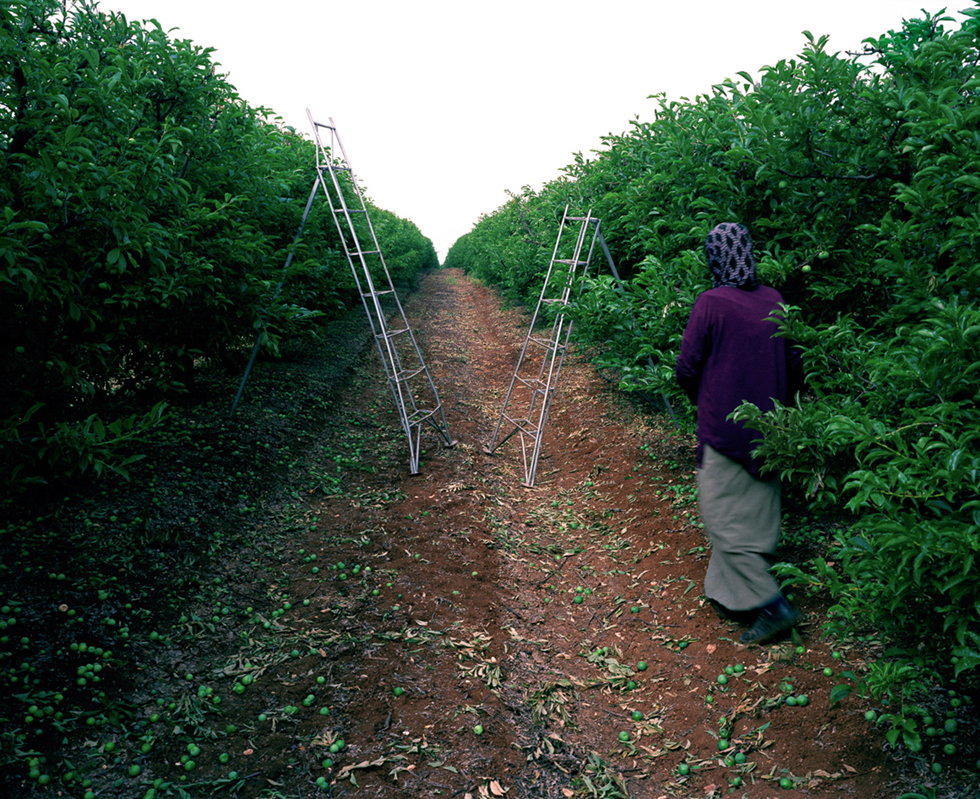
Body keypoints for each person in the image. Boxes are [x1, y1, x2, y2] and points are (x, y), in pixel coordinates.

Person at [675, 222, 805, 644]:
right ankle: (728, 594)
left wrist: (707, 397)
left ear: (714, 258)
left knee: (722, 518)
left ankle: (773, 606)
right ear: (749, 253)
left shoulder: (711, 303)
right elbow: (795, 365)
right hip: (769, 432)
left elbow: (687, 368)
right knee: (756, 518)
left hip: (726, 432)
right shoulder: (774, 299)